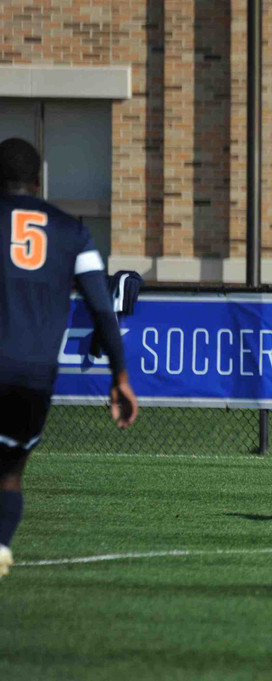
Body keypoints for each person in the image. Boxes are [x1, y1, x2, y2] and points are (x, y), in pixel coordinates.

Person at [0, 138, 138, 579]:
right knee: (10, 473)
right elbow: (102, 307)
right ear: (39, 180)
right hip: (35, 375)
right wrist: (120, 374)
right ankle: (0, 546)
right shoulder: (73, 231)